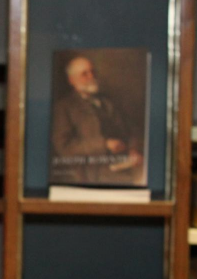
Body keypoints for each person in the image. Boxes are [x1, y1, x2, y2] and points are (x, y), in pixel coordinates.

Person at [49, 54, 143, 183]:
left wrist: (134, 149)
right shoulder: (64, 107)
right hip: (90, 174)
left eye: (92, 72)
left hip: (124, 166)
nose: (91, 76)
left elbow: (132, 129)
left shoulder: (108, 101)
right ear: (72, 80)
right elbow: (64, 147)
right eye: (84, 74)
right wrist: (104, 144)